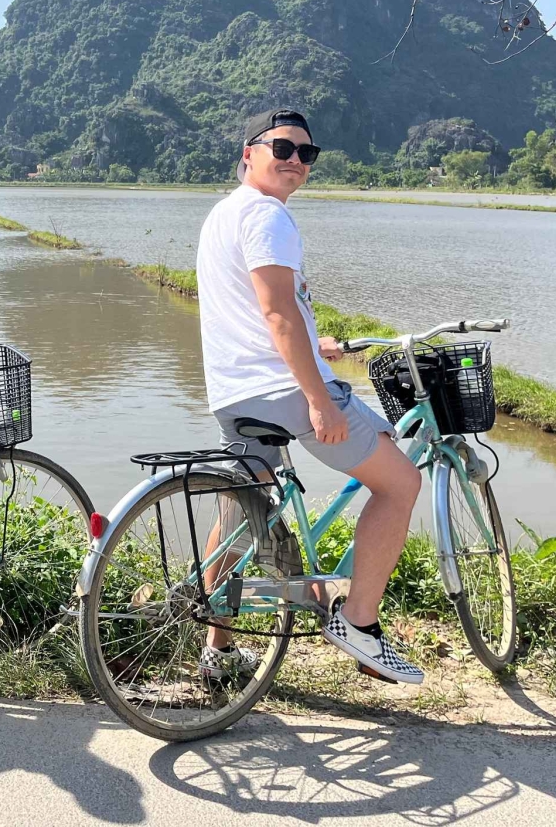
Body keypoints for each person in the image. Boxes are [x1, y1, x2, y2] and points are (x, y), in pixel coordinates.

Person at [195, 108, 425, 685]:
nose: (296, 160)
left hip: (234, 392)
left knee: (243, 509)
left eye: (307, 153)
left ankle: (218, 652)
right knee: (401, 483)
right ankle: (359, 624)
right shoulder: (268, 216)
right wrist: (319, 396)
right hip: (284, 393)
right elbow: (275, 313)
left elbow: (257, 311)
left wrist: (313, 342)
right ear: (249, 152)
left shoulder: (225, 213)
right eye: (282, 147)